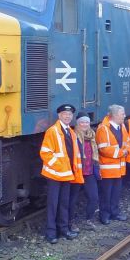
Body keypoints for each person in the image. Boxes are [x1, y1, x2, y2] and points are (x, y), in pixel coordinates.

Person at [39, 104, 82, 244]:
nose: (67, 116)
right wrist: (59, 166)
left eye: (69, 114)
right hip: (55, 174)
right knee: (53, 204)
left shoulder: (71, 132)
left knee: (64, 203)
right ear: (59, 116)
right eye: (64, 114)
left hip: (67, 174)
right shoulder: (53, 131)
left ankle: (63, 229)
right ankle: (51, 233)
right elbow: (45, 152)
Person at [95, 104, 130, 223]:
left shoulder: (122, 127)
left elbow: (127, 141)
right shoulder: (102, 129)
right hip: (108, 169)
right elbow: (104, 149)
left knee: (116, 192)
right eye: (122, 114)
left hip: (118, 168)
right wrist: (122, 152)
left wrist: (125, 150)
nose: (124, 116)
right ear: (114, 115)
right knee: (106, 194)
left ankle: (115, 213)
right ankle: (104, 215)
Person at [71, 111, 100, 231]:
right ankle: (70, 222)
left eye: (87, 122)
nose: (84, 124)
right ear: (78, 123)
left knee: (94, 197)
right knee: (72, 199)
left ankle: (88, 219)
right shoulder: (73, 135)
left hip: (89, 172)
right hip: (77, 172)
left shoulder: (92, 135)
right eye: (82, 122)